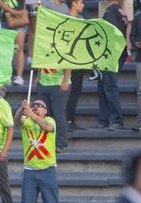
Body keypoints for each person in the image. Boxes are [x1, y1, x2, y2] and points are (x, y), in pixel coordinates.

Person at [14, 99, 58, 203]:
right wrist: (22, 108)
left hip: (48, 169)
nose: (35, 107)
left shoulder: (50, 120)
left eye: (39, 105)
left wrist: (31, 114)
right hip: (30, 170)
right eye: (33, 105)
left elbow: (47, 127)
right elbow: (16, 119)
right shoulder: (27, 121)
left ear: (45, 111)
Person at [96, 0, 128, 130]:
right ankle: (103, 120)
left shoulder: (109, 13)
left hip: (111, 55)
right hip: (118, 53)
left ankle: (117, 121)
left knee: (109, 87)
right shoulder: (120, 11)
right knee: (103, 86)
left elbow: (110, 35)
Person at [36, 59, 70, 152]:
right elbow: (40, 59)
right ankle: (47, 142)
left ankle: (61, 143)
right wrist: (38, 76)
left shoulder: (61, 44)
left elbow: (68, 62)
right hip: (43, 83)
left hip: (59, 83)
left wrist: (66, 80)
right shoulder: (42, 45)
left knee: (58, 114)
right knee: (45, 115)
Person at [65, 0, 85, 131]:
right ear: (73, 3)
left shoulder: (81, 19)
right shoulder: (66, 18)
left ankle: (70, 119)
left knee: (76, 90)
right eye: (81, 2)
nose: (83, 5)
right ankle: (67, 120)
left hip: (80, 59)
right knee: (71, 90)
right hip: (70, 59)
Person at [0, 0, 28, 86]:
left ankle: (19, 76)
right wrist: (12, 11)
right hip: (4, 20)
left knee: (18, 48)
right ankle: (6, 76)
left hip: (19, 19)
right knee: (5, 50)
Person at [130, 3, 141, 131]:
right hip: (140, 59)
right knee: (140, 92)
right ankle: (140, 122)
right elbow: (132, 36)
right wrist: (136, 43)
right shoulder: (138, 17)